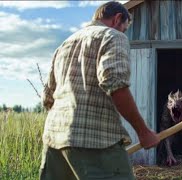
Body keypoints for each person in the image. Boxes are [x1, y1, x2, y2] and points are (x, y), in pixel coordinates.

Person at [39, 1, 160, 179]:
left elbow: (47, 97)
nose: (123, 33)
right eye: (124, 28)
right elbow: (114, 83)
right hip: (96, 142)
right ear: (117, 19)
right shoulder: (112, 36)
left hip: (54, 141)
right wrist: (144, 132)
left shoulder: (64, 44)